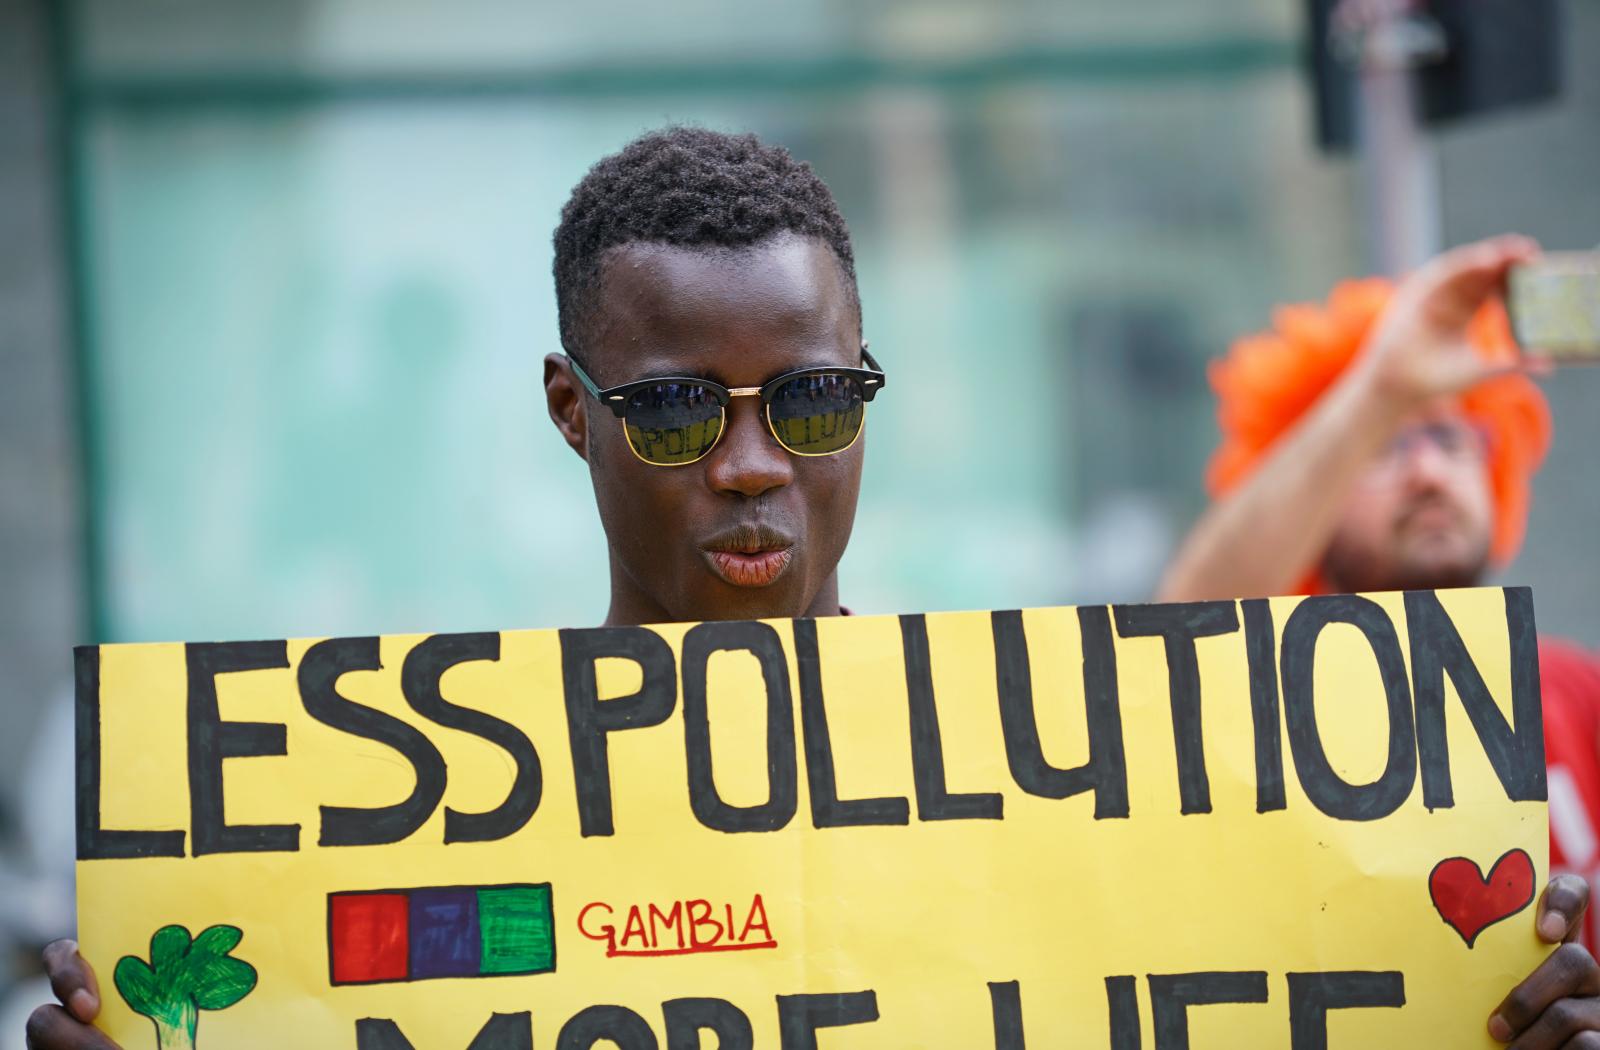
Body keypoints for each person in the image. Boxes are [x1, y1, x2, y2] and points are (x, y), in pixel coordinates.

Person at [26, 131, 1599, 1048]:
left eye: (816, 400)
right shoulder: (430, 824)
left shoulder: (1052, 783)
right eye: (673, 411)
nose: (754, 463)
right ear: (576, 413)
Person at [1156, 232, 1600, 958]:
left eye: (1455, 440)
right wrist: (1381, 387)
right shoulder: (1249, 718)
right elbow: (1165, 643)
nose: (1428, 473)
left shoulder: (1576, 692)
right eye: (1385, 446)